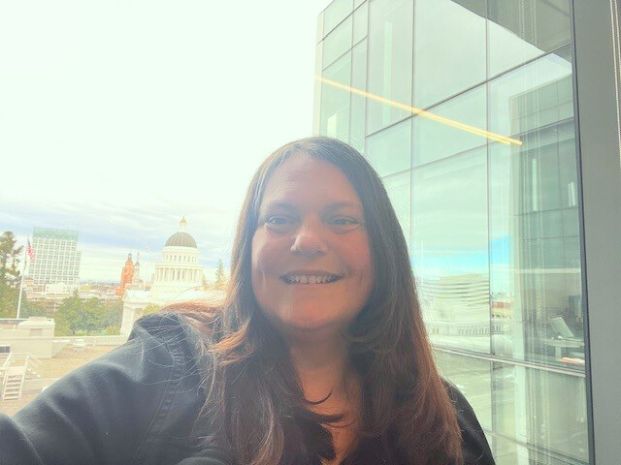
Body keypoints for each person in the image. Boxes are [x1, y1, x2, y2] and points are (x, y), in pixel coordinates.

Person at [0, 137, 495, 465]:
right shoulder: (164, 373)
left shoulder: (447, 421)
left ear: (383, 249)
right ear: (247, 248)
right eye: (279, 219)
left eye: (342, 219)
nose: (306, 241)